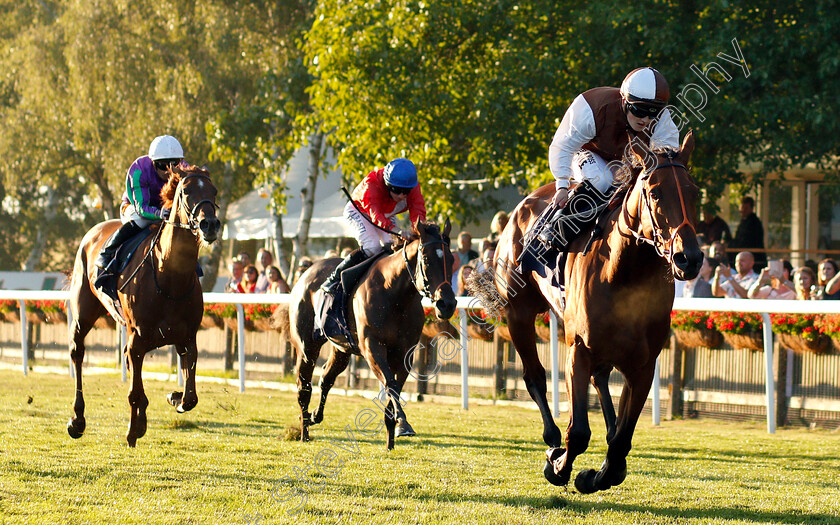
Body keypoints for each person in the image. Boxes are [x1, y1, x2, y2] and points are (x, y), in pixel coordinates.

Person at [543, 67, 680, 248]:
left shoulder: (662, 120)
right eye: (639, 110)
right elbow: (563, 145)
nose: (646, 119)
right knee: (603, 179)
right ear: (625, 101)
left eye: (653, 112)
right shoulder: (592, 107)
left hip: (627, 163)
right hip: (585, 152)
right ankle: (557, 229)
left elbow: (665, 161)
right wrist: (562, 184)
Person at [321, 158, 426, 295]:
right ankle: (335, 278)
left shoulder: (413, 187)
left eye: (406, 191)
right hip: (360, 211)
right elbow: (376, 216)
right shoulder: (372, 184)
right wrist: (399, 231)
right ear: (387, 184)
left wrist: (420, 232)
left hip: (385, 214)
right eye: (397, 190)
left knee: (392, 248)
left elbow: (418, 211)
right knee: (372, 246)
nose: (401, 195)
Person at [94, 135, 184, 274]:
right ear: (153, 162)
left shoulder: (184, 169)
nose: (168, 171)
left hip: (165, 209)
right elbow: (141, 208)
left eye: (174, 165)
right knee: (141, 221)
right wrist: (159, 214)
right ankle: (106, 253)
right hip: (135, 207)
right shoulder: (138, 170)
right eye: (163, 165)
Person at [731, 196, 765, 270]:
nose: (742, 210)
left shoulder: (754, 222)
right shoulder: (743, 221)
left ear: (751, 208)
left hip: (754, 258)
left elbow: (748, 240)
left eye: (745, 208)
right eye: (741, 207)